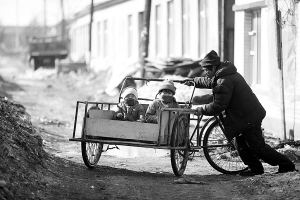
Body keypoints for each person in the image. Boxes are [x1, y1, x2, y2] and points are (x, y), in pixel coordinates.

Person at [184, 50, 296, 176]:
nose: (206, 73)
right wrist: (194, 81)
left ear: (214, 67)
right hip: (243, 115)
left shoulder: (224, 80)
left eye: (207, 70)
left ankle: (287, 165)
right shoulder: (222, 74)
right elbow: (210, 81)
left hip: (249, 116)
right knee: (241, 145)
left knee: (258, 147)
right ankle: (256, 169)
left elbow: (218, 106)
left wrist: (202, 110)